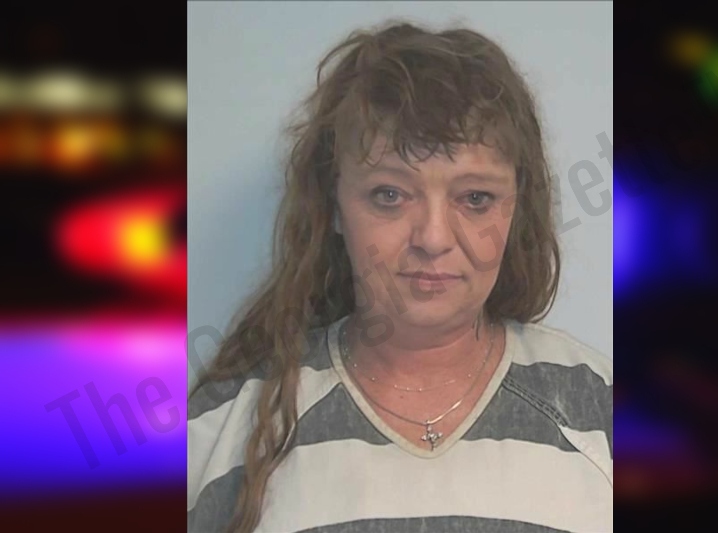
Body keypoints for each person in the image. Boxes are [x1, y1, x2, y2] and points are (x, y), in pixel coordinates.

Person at [188, 20, 612, 533]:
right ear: (335, 207)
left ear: (516, 208)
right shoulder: (223, 427)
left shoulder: (602, 412)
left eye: (475, 198)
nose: (433, 238)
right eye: (389, 195)